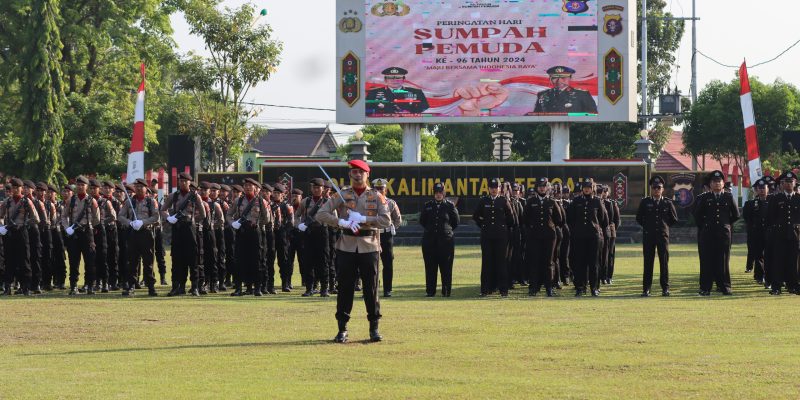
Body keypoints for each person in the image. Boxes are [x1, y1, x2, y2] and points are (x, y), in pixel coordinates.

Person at [315, 160, 391, 343]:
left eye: (361, 172)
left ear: (367, 175)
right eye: (354, 172)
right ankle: (342, 329)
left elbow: (386, 220)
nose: (357, 175)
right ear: (350, 175)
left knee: (371, 288)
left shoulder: (376, 196)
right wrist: (341, 222)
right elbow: (321, 214)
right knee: (345, 288)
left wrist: (364, 217)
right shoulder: (341, 195)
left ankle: (374, 328)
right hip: (346, 245)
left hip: (369, 245)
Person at [693, 170, 739, 296]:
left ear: (723, 183)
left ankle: (725, 286)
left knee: (723, 261)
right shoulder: (704, 197)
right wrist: (705, 226)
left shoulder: (728, 197)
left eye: (719, 181)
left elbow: (735, 215)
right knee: (707, 261)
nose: (717, 183)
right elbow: (697, 215)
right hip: (707, 234)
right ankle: (705, 288)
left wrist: (725, 224)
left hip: (723, 234)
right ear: (710, 184)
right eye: (714, 181)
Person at [161, 172, 206, 296]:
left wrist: (192, 220)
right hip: (177, 227)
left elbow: (203, 214)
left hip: (190, 229)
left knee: (192, 258)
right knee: (177, 258)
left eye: (185, 181)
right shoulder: (173, 196)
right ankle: (177, 286)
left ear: (189, 182)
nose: (183, 183)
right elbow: (163, 209)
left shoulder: (195, 196)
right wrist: (169, 218)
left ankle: (195, 286)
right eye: (181, 181)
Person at [228, 178, 271, 296]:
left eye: (250, 186)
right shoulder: (238, 200)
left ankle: (257, 288)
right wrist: (233, 223)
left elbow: (267, 218)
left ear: (255, 188)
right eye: (245, 185)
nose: (247, 187)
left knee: (256, 260)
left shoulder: (261, 201)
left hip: (255, 233)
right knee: (240, 260)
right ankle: (238, 288)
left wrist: (257, 224)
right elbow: (229, 214)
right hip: (241, 232)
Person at [635, 176, 678, 297]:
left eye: (658, 187)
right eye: (654, 187)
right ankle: (646, 289)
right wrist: (648, 226)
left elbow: (674, 219)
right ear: (651, 189)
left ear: (662, 189)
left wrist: (664, 227)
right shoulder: (645, 202)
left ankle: (665, 288)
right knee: (648, 262)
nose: (656, 190)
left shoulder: (667, 202)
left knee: (664, 263)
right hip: (649, 236)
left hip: (662, 236)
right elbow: (639, 218)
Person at [472, 178, 515, 297]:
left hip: (501, 237)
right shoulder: (483, 201)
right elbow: (476, 216)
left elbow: (511, 219)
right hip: (487, 236)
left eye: (496, 187)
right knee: (487, 263)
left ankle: (503, 290)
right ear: (488, 188)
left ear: (500, 189)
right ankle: (485, 289)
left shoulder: (503, 201)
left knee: (501, 263)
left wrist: (502, 227)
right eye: (491, 187)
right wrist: (483, 225)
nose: (493, 190)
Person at [117, 179, 159, 296]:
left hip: (146, 233)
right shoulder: (129, 201)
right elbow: (120, 216)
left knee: (148, 261)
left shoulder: (151, 201)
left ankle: (151, 286)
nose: (139, 188)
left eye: (141, 186)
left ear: (146, 188)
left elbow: (156, 217)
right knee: (132, 261)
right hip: (133, 234)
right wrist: (130, 222)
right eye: (137, 186)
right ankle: (131, 286)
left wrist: (143, 222)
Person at [567, 178, 608, 296]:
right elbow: (569, 218)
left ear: (592, 189)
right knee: (580, 263)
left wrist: (596, 228)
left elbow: (604, 220)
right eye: (585, 187)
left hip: (594, 237)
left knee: (594, 263)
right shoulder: (576, 201)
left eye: (589, 187)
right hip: (579, 237)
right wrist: (575, 230)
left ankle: (594, 288)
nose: (586, 189)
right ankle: (580, 287)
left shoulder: (597, 201)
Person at [523, 177, 564, 297]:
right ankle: (533, 288)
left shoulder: (552, 202)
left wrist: (550, 226)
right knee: (534, 261)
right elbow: (525, 219)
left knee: (548, 262)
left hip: (549, 236)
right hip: (534, 236)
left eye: (544, 186)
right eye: (540, 186)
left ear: (547, 188)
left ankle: (549, 287)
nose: (542, 188)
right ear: (537, 188)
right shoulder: (530, 202)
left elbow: (559, 219)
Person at [420, 182, 459, 297]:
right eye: (436, 193)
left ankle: (446, 291)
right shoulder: (428, 205)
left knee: (446, 266)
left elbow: (455, 222)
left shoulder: (450, 206)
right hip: (430, 241)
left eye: (440, 192)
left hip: (445, 242)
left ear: (444, 193)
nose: (438, 195)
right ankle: (430, 291)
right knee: (430, 267)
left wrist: (445, 230)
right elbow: (423, 221)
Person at [62, 176, 100, 295]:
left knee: (90, 261)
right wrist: (67, 227)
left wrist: (89, 226)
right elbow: (63, 216)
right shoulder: (71, 200)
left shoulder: (92, 201)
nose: (80, 187)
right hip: (74, 233)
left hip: (87, 232)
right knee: (73, 261)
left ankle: (89, 285)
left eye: (82, 185)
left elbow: (97, 218)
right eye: (78, 185)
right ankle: (74, 286)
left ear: (87, 187)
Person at [0, 178, 39, 295]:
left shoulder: (27, 201)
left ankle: (25, 287)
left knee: (24, 260)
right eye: (13, 187)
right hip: (10, 233)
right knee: (9, 260)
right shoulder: (7, 202)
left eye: (18, 187)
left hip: (22, 232)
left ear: (21, 188)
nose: (15, 189)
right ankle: (7, 287)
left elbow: (36, 218)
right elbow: (0, 216)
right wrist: (2, 226)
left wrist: (24, 224)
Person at [765, 171, 800, 295]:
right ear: (782, 184)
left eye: (791, 182)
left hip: (795, 235)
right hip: (779, 235)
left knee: (793, 261)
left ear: (795, 183)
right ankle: (776, 287)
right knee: (778, 261)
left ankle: (793, 286)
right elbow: (770, 217)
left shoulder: (798, 198)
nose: (789, 184)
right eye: (786, 182)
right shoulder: (776, 199)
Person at [296, 178, 330, 297]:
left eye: (318, 188)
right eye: (314, 187)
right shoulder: (305, 201)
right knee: (308, 261)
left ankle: (324, 288)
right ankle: (309, 288)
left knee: (323, 261)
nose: (316, 190)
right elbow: (296, 216)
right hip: (308, 233)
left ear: (322, 189)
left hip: (322, 232)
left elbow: (334, 217)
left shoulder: (327, 202)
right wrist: (299, 225)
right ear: (311, 188)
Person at [372, 178, 402, 297]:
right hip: (372, 235)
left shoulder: (391, 203)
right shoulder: (367, 203)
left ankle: (387, 289)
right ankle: (371, 289)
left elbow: (398, 219)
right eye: (376, 189)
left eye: (381, 188)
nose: (379, 191)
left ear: (386, 190)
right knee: (370, 263)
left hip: (386, 235)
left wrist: (391, 227)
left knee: (388, 262)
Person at [528, 66, 598, 114]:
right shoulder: (542, 95)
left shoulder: (582, 94)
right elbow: (536, 115)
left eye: (563, 77)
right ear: (550, 79)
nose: (559, 81)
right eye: (555, 78)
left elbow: (593, 114)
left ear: (570, 78)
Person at [365, 67, 430, 115]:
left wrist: (410, 113)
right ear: (385, 80)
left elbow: (425, 108)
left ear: (404, 79)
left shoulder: (416, 92)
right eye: (390, 78)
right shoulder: (373, 93)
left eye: (398, 77)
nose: (394, 80)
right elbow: (366, 110)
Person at [742, 179, 768, 284]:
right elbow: (747, 218)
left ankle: (768, 276)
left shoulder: (772, 202)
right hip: (756, 233)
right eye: (759, 188)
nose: (762, 190)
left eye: (763, 188)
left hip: (769, 232)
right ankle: (759, 276)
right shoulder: (750, 204)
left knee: (769, 255)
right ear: (756, 190)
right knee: (758, 256)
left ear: (767, 189)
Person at [600, 185, 620, 284]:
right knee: (601, 255)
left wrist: (612, 230)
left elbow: (617, 220)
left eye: (606, 191)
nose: (604, 193)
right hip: (599, 232)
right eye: (602, 191)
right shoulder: (597, 202)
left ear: (609, 193)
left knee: (610, 255)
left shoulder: (612, 203)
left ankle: (609, 276)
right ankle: (601, 276)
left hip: (610, 233)